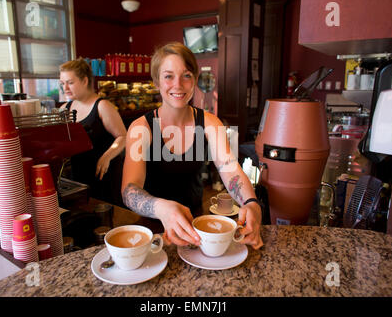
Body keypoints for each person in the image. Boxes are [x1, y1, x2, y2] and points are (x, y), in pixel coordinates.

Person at [121, 42, 263, 249]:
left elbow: (229, 169)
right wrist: (162, 208)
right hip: (152, 232)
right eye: (168, 76)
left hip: (197, 229)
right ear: (156, 82)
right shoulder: (141, 128)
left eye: (186, 75)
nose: (178, 84)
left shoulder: (209, 122)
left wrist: (251, 203)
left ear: (195, 80)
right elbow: (129, 190)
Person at [60, 58, 127, 206]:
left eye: (70, 83)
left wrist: (107, 156)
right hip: (77, 177)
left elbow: (123, 136)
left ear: (84, 81)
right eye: (62, 83)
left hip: (103, 177)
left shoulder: (102, 106)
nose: (65, 88)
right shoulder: (65, 108)